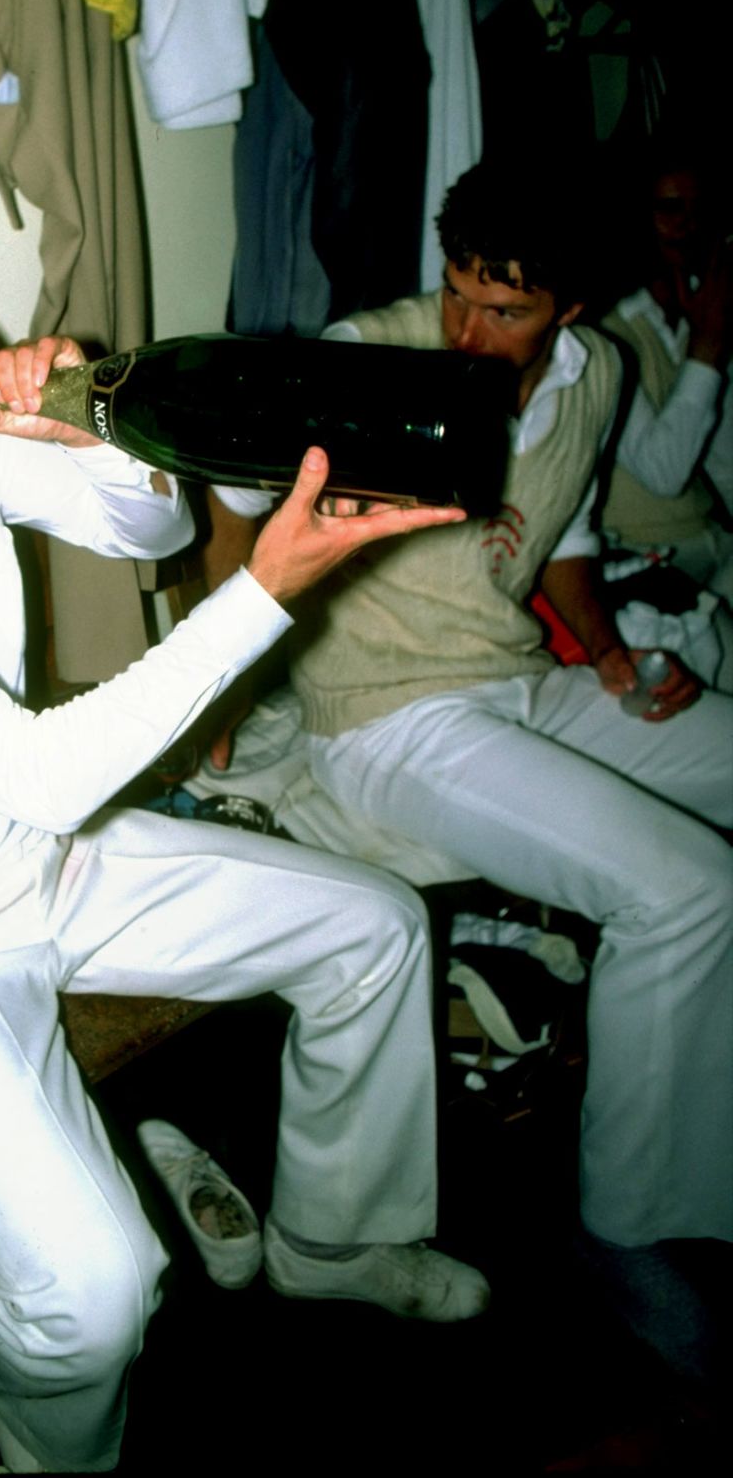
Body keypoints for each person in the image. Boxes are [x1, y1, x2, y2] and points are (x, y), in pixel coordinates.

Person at [0, 201, 484, 1474]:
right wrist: (267, 591)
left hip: (38, 852)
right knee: (97, 1287)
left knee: (374, 926)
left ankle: (331, 1239)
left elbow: (155, 527)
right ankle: (40, 1455)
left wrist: (75, 411)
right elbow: (49, 764)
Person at [204, 159, 733, 1390]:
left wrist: (605, 654)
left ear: (570, 307)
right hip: (383, 715)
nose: (465, 330)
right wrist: (217, 686)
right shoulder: (367, 353)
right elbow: (234, 500)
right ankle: (622, 1228)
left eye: (502, 310)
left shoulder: (593, 373)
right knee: (685, 885)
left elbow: (567, 538)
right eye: (454, 294)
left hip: (516, 679)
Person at [593, 140, 733, 688]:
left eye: (698, 209)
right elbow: (664, 471)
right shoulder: (606, 335)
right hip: (649, 561)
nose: (687, 225)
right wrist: (707, 350)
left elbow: (721, 457)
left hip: (713, 546)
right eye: (669, 208)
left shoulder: (701, 310)